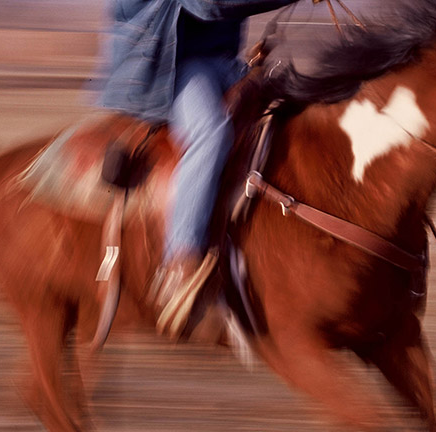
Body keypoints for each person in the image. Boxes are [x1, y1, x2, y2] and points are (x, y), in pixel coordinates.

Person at [100, 0, 298, 339]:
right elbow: (209, 6)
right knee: (212, 133)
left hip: (223, 64)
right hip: (171, 68)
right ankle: (180, 258)